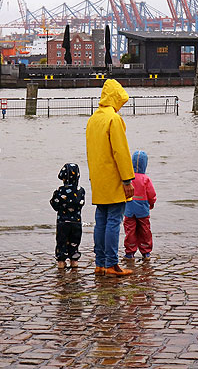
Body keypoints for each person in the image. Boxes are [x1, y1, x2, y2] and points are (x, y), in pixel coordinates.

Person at [85, 78, 135, 276]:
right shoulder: (113, 119)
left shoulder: (93, 119)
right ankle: (112, 264)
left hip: (98, 178)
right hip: (114, 178)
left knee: (101, 221)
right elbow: (120, 152)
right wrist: (127, 180)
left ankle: (100, 263)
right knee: (114, 220)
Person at [49, 163, 85, 269]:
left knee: (61, 241)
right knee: (75, 241)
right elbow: (81, 204)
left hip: (62, 222)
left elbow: (55, 205)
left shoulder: (60, 191)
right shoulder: (81, 191)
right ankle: (74, 261)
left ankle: (61, 261)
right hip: (76, 221)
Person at [123, 150, 157, 261]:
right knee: (145, 230)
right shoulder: (145, 179)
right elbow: (151, 194)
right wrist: (151, 203)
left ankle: (129, 252)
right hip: (142, 209)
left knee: (130, 231)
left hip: (129, 209)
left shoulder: (129, 178)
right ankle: (146, 252)